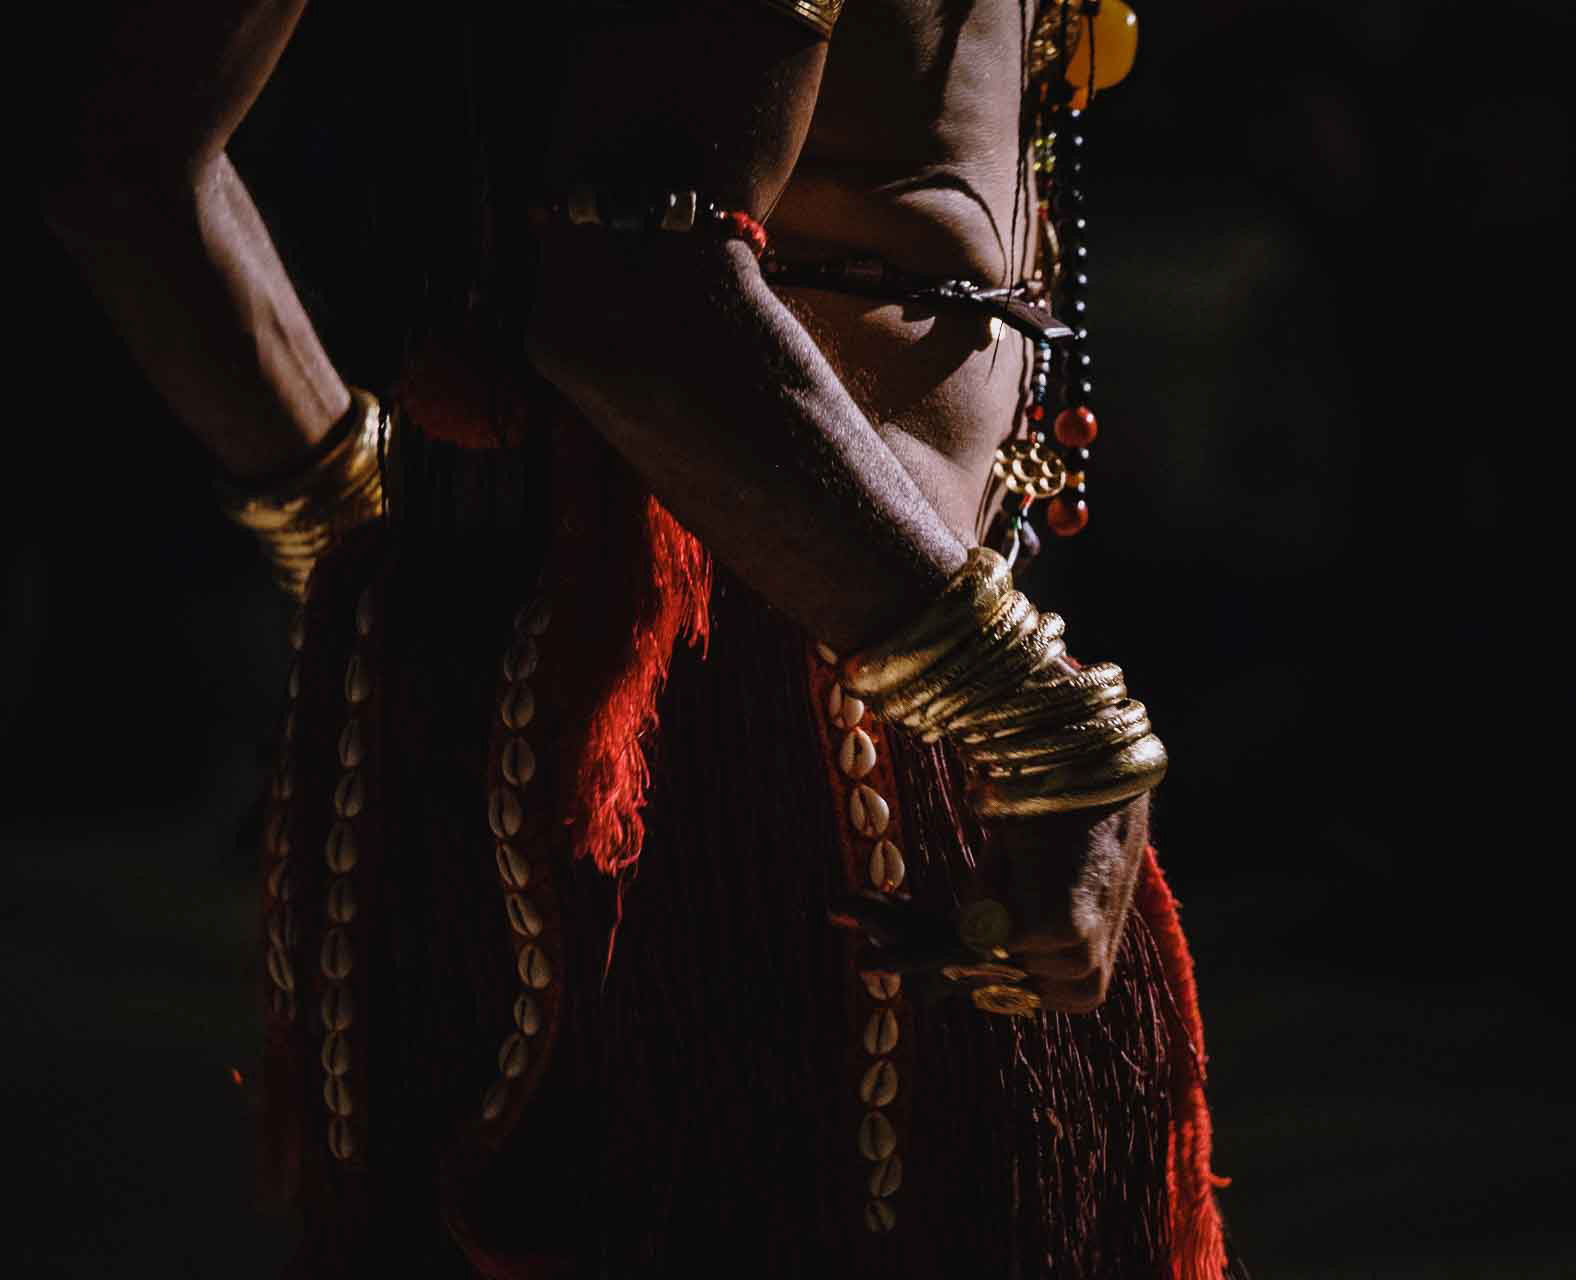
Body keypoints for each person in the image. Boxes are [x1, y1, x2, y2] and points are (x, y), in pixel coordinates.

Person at [44, 1, 1240, 1275]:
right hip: (736, 758)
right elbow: (636, 279)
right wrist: (1039, 719)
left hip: (685, 692)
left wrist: (363, 541)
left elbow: (121, 169)